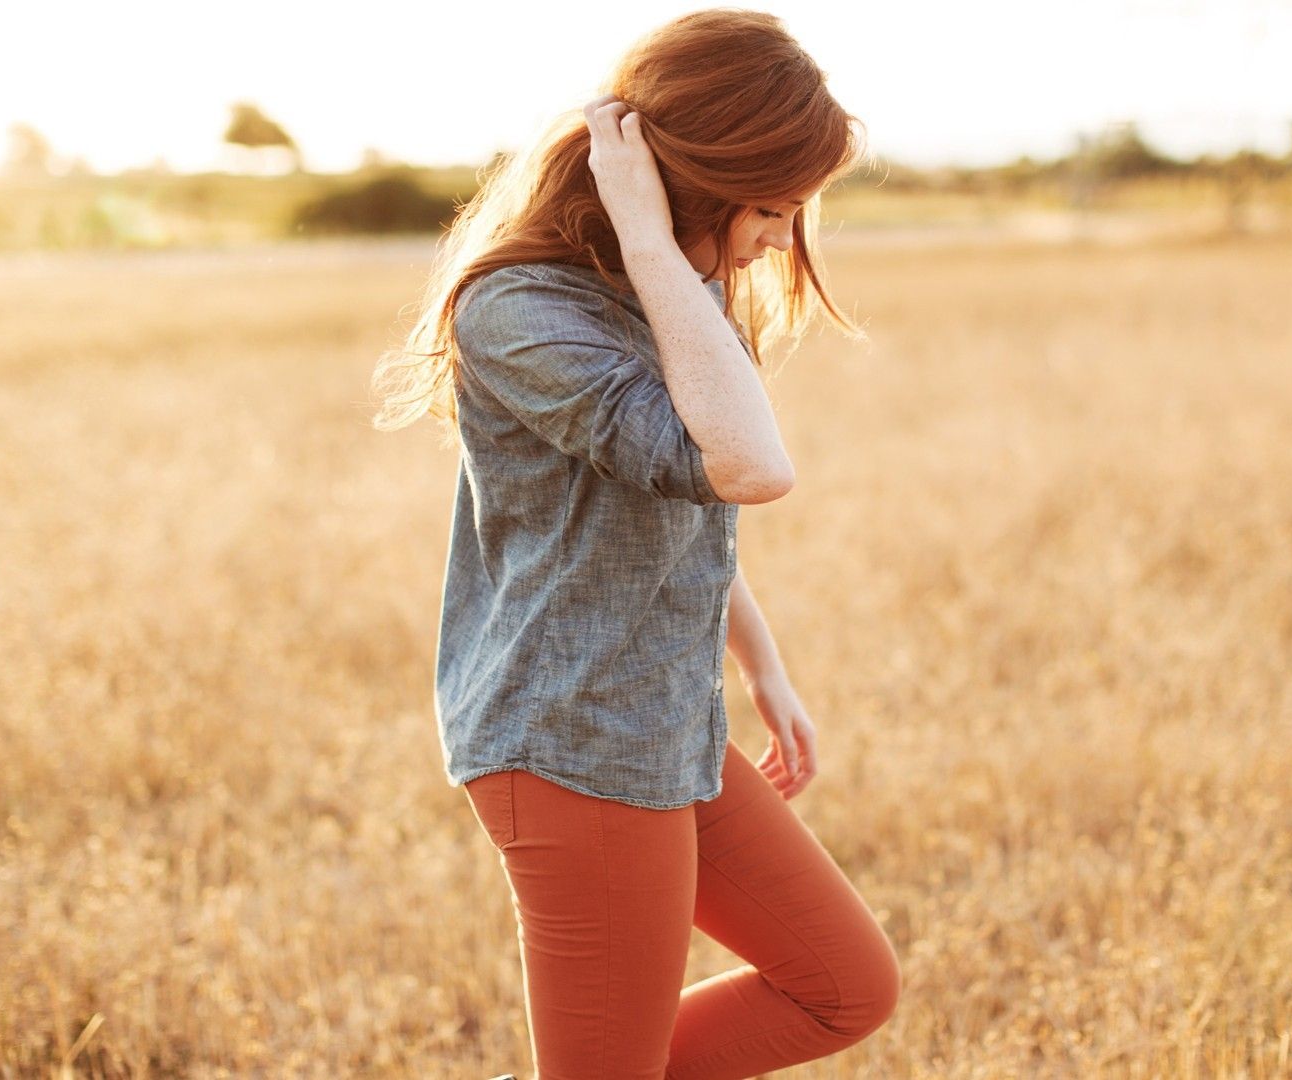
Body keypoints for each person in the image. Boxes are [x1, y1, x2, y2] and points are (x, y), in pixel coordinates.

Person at [371, 10, 899, 1078]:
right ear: (691, 186)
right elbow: (753, 468)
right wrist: (657, 247)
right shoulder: (519, 310)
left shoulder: (670, 296)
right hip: (571, 741)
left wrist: (764, 669)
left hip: (667, 725)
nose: (780, 241)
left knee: (844, 986)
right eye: (772, 208)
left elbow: (675, 518)